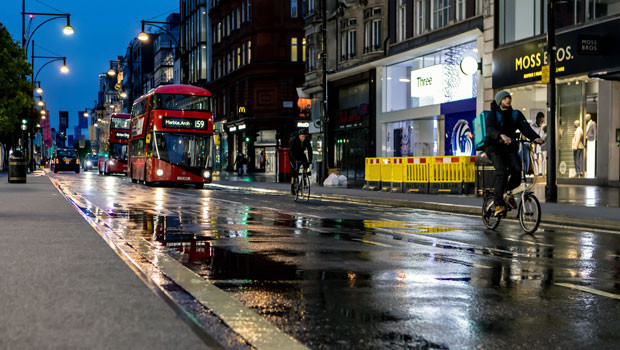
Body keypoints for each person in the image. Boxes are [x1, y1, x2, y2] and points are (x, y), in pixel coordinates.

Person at [485, 91, 544, 217]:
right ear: (499, 101)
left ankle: (506, 192)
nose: (508, 100)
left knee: (517, 170)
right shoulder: (493, 114)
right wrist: (500, 135)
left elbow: (525, 128)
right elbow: (490, 129)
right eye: (505, 98)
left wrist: (535, 138)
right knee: (502, 172)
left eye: (509, 98)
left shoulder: (515, 114)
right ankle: (499, 204)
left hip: (509, 148)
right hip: (494, 148)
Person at [288, 128, 313, 195]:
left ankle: (304, 178)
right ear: (299, 136)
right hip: (293, 154)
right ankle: (292, 186)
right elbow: (291, 151)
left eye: (305, 136)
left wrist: (310, 160)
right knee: (294, 171)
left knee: (306, 163)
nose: (303, 138)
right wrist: (295, 161)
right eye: (302, 136)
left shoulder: (307, 140)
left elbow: (310, 150)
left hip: (301, 153)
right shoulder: (294, 140)